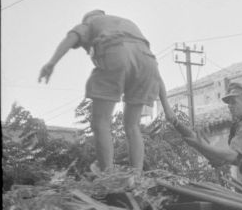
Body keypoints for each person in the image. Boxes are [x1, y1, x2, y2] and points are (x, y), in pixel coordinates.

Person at [38, 10, 161, 172]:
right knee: (132, 125)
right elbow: (155, 73)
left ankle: (108, 175)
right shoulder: (124, 22)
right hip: (149, 62)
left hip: (117, 52)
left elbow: (72, 37)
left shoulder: (90, 22)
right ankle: (137, 176)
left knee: (101, 122)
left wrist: (51, 63)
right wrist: (165, 104)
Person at [164, 82, 242, 207]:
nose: (230, 106)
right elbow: (218, 159)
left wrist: (202, 146)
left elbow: (231, 156)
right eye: (229, 103)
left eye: (234, 102)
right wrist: (177, 124)